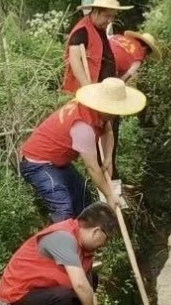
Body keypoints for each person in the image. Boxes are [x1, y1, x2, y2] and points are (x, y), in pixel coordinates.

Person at [19, 77, 147, 222]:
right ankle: (58, 242)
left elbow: (108, 132)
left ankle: (82, 239)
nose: (116, 113)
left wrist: (108, 158)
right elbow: (92, 167)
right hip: (38, 163)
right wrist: (110, 195)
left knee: (83, 200)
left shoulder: (98, 111)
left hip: (59, 161)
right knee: (63, 209)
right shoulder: (83, 127)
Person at [62, 0, 132, 95]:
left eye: (112, 17)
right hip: (86, 92)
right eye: (107, 16)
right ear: (95, 12)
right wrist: (86, 85)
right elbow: (74, 59)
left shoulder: (99, 26)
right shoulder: (82, 31)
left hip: (101, 89)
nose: (110, 20)